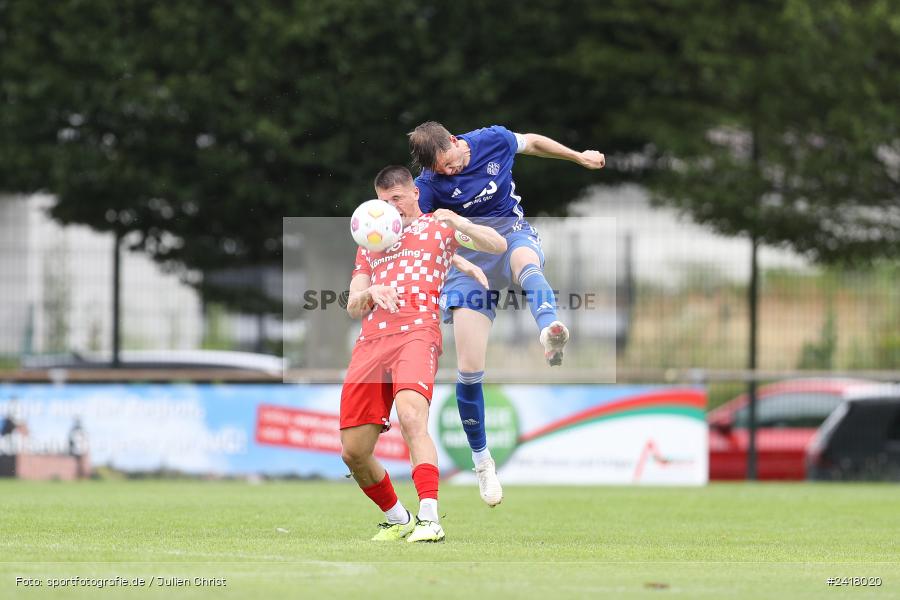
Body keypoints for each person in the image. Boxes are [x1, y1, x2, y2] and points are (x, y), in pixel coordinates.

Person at [409, 122, 605, 506]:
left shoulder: (492, 140)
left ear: (454, 141)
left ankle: (550, 328)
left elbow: (531, 142)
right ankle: (482, 462)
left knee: (526, 261)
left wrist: (577, 156)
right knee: (468, 367)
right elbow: (418, 233)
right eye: (439, 169)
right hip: (468, 261)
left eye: (448, 163)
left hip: (510, 231)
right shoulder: (428, 185)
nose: (447, 172)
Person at [340, 165, 506, 543]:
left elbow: (497, 245)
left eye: (396, 199)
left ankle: (430, 518)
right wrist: (370, 293)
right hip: (370, 344)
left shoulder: (439, 226)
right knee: (354, 452)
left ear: (415, 193)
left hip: (417, 332)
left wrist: (460, 220)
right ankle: (399, 518)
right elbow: (352, 305)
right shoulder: (370, 239)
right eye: (382, 202)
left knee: (412, 417)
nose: (389, 209)